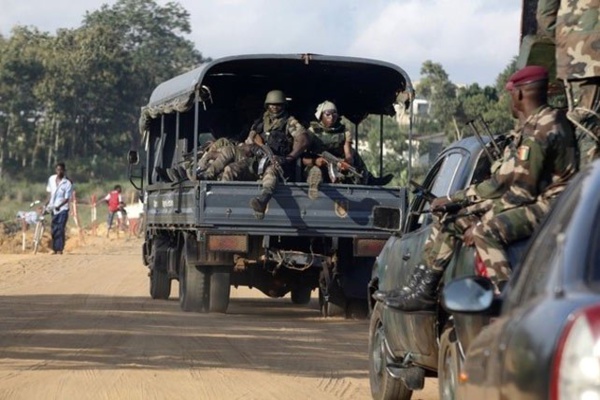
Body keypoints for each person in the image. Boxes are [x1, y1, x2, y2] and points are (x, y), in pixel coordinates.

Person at [375, 66, 578, 311]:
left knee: (485, 231)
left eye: (510, 95)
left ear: (520, 95)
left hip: (554, 206)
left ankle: (507, 300)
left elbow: (521, 191)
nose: (509, 101)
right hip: (536, 200)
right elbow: (502, 183)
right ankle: (423, 290)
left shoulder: (543, 128)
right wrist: (458, 201)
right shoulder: (535, 124)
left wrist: (482, 216)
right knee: (453, 221)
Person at [537, 0, 600, 164]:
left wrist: (569, 39)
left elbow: (545, 15)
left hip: (580, 58)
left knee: (587, 127)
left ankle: (587, 185)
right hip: (583, 58)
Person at [303, 100, 393, 199]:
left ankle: (368, 180)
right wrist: (316, 161)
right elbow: (302, 158)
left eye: (334, 114)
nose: (331, 117)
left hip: (336, 165)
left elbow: (348, 154)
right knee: (315, 173)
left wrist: (345, 162)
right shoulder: (312, 132)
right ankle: (314, 188)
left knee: (351, 171)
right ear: (321, 115)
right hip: (317, 164)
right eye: (328, 114)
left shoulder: (343, 131)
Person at [244, 89, 310, 218]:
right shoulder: (260, 122)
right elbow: (248, 143)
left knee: (271, 172)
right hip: (257, 160)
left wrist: (289, 158)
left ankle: (263, 200)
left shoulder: (289, 122)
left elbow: (303, 139)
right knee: (232, 168)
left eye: (278, 104)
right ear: (267, 105)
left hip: (277, 162)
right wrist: (254, 148)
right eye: (272, 104)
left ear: (283, 106)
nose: (274, 107)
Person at [46, 162, 73, 255]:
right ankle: (54, 248)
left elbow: (67, 199)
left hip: (63, 209)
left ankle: (60, 249)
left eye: (61, 170)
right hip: (53, 208)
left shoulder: (67, 183)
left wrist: (59, 206)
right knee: (54, 229)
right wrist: (45, 205)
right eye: (57, 169)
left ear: (64, 171)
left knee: (60, 228)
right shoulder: (51, 179)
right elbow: (50, 194)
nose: (59, 171)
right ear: (55, 170)